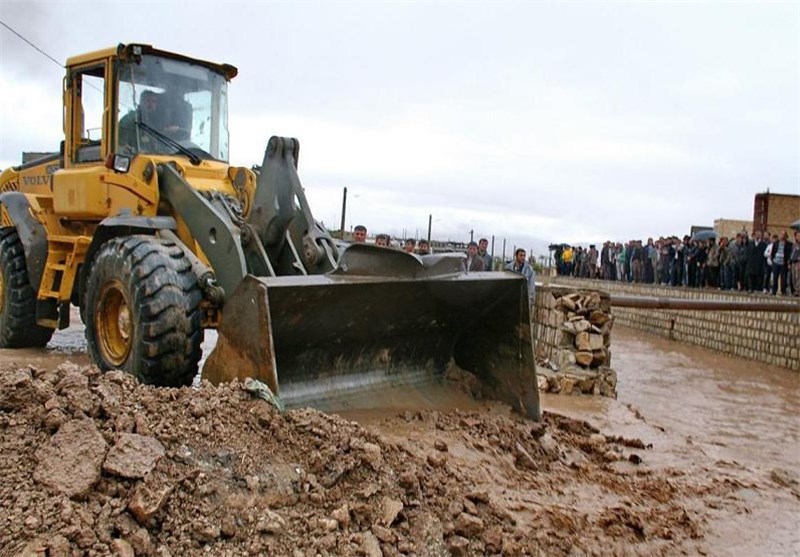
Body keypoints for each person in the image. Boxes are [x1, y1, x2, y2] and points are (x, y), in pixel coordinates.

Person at [769, 231, 792, 295]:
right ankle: (774, 290)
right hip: (776, 262)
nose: (782, 236)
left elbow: (789, 253)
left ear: (785, 236)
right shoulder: (776, 243)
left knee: (783, 278)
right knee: (775, 277)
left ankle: (783, 291)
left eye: (783, 235)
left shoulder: (788, 244)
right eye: (781, 234)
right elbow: (773, 251)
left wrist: (788, 261)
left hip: (783, 263)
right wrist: (772, 259)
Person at [791, 230, 800, 297]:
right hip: (793, 262)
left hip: (798, 262)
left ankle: (798, 290)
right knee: (793, 276)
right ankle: (795, 290)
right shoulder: (794, 244)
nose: (798, 237)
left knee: (798, 277)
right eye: (797, 236)